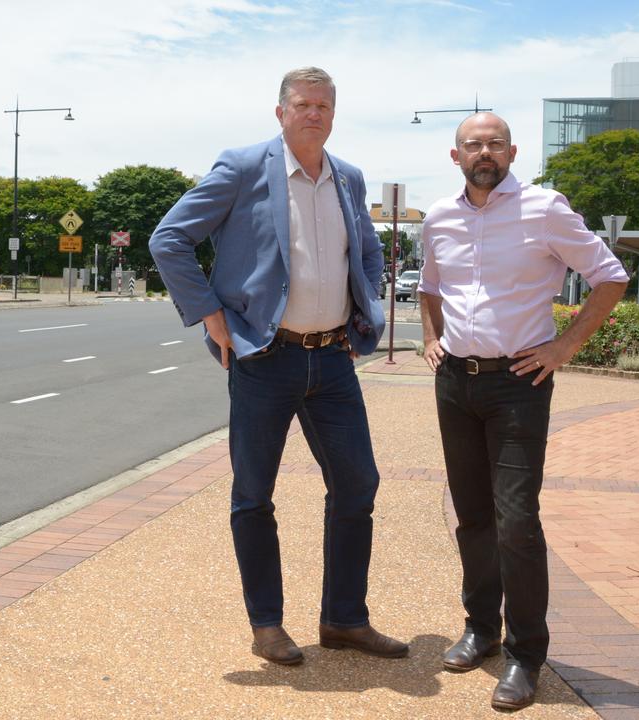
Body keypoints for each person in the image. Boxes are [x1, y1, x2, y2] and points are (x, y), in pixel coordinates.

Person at [150, 66, 406, 666]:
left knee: (358, 484)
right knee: (253, 494)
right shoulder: (242, 169)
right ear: (280, 111)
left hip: (333, 362)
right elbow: (170, 239)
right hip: (265, 358)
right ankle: (267, 625)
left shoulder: (348, 176)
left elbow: (367, 251)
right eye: (302, 104)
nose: (313, 113)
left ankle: (344, 619)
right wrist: (213, 319)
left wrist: (365, 313)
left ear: (334, 113)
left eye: (323, 105)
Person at [419, 112, 628, 710]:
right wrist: (431, 336)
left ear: (511, 151)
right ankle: (481, 628)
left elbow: (608, 277)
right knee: (472, 514)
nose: (483, 152)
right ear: (455, 155)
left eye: (494, 143)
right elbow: (431, 287)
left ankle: (525, 654)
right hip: (456, 382)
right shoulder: (439, 216)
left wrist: (565, 346)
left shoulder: (545, 208)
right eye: (472, 144)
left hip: (519, 382)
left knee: (516, 520)